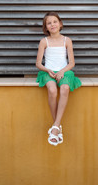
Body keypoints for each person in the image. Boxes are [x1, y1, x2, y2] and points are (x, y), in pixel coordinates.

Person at [36, 12, 82, 146]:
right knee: (52, 90)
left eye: (55, 21)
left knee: (65, 88)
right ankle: (57, 128)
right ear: (46, 27)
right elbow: (38, 63)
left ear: (60, 24)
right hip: (48, 72)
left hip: (65, 72)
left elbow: (72, 62)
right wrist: (47, 70)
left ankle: (55, 126)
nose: (52, 25)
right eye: (49, 23)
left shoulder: (67, 40)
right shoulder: (44, 41)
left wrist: (62, 71)